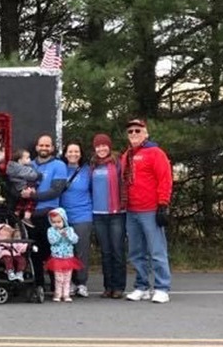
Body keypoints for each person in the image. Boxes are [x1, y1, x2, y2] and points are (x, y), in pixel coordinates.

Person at [121, 118, 173, 304]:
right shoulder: (126, 155)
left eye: (137, 130)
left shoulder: (155, 153)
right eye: (130, 131)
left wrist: (163, 204)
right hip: (131, 210)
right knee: (136, 252)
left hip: (150, 209)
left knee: (157, 250)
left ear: (146, 133)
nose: (134, 134)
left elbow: (165, 179)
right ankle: (141, 286)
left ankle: (162, 287)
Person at [26, 134, 69, 294]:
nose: (44, 148)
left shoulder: (59, 165)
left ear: (52, 148)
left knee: (53, 251)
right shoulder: (29, 165)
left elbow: (55, 191)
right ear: (37, 147)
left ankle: (56, 285)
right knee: (35, 252)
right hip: (31, 216)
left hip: (50, 216)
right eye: (41, 145)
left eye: (47, 145)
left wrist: (32, 196)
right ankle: (38, 284)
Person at [90, 133, 126, 298]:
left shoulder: (117, 163)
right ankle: (108, 287)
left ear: (109, 146)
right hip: (98, 213)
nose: (101, 149)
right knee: (105, 252)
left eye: (104, 145)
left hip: (116, 213)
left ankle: (119, 287)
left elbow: (125, 183)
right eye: (98, 146)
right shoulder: (92, 165)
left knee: (117, 251)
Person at [60, 142, 93, 298]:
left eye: (76, 151)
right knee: (65, 251)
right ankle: (69, 282)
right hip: (62, 217)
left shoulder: (88, 171)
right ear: (65, 153)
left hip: (83, 215)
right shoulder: (60, 168)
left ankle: (81, 282)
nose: (73, 154)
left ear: (80, 154)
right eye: (70, 151)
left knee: (81, 251)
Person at [45, 207, 82, 302]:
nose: (56, 224)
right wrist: (59, 234)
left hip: (68, 257)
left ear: (64, 220)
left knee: (67, 277)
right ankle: (58, 293)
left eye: (59, 222)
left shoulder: (69, 230)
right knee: (58, 278)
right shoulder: (51, 230)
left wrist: (68, 235)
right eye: (54, 222)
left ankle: (66, 294)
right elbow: (52, 241)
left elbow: (75, 240)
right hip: (57, 258)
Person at [6, 149, 41, 222]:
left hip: (18, 187)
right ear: (20, 160)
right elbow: (32, 175)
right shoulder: (21, 168)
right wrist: (38, 175)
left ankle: (16, 213)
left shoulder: (11, 167)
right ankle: (27, 217)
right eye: (27, 158)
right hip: (24, 186)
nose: (30, 160)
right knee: (31, 200)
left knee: (22, 202)